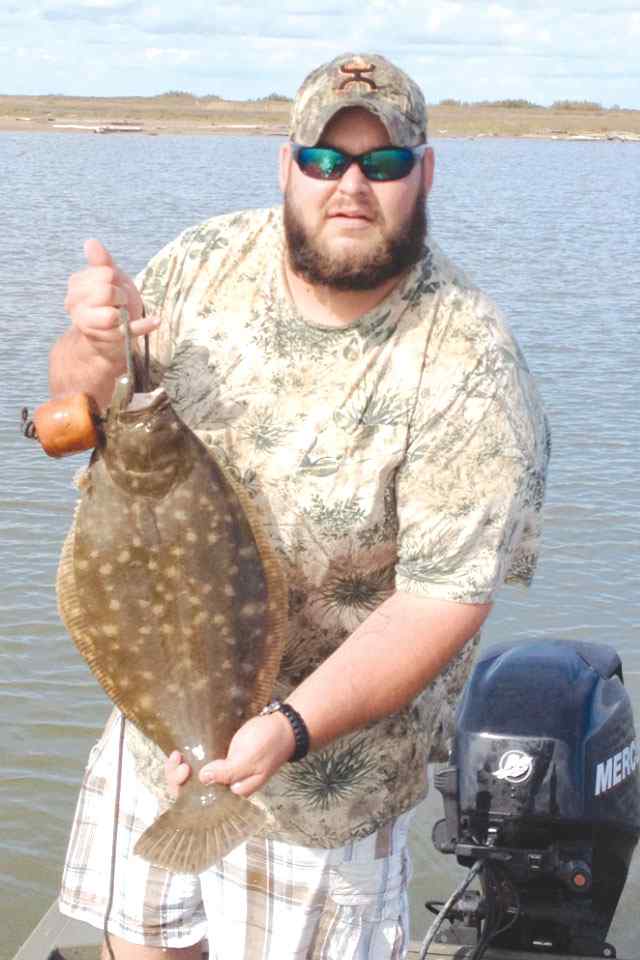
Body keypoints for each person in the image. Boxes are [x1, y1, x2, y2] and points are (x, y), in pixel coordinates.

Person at [50, 52, 550, 960]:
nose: (350, 184)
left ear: (424, 174)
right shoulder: (202, 263)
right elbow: (78, 414)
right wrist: (92, 347)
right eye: (325, 159)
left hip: (327, 786)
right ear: (287, 165)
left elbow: (443, 599)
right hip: (158, 735)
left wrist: (287, 728)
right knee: (141, 943)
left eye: (383, 162)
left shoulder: (469, 361)